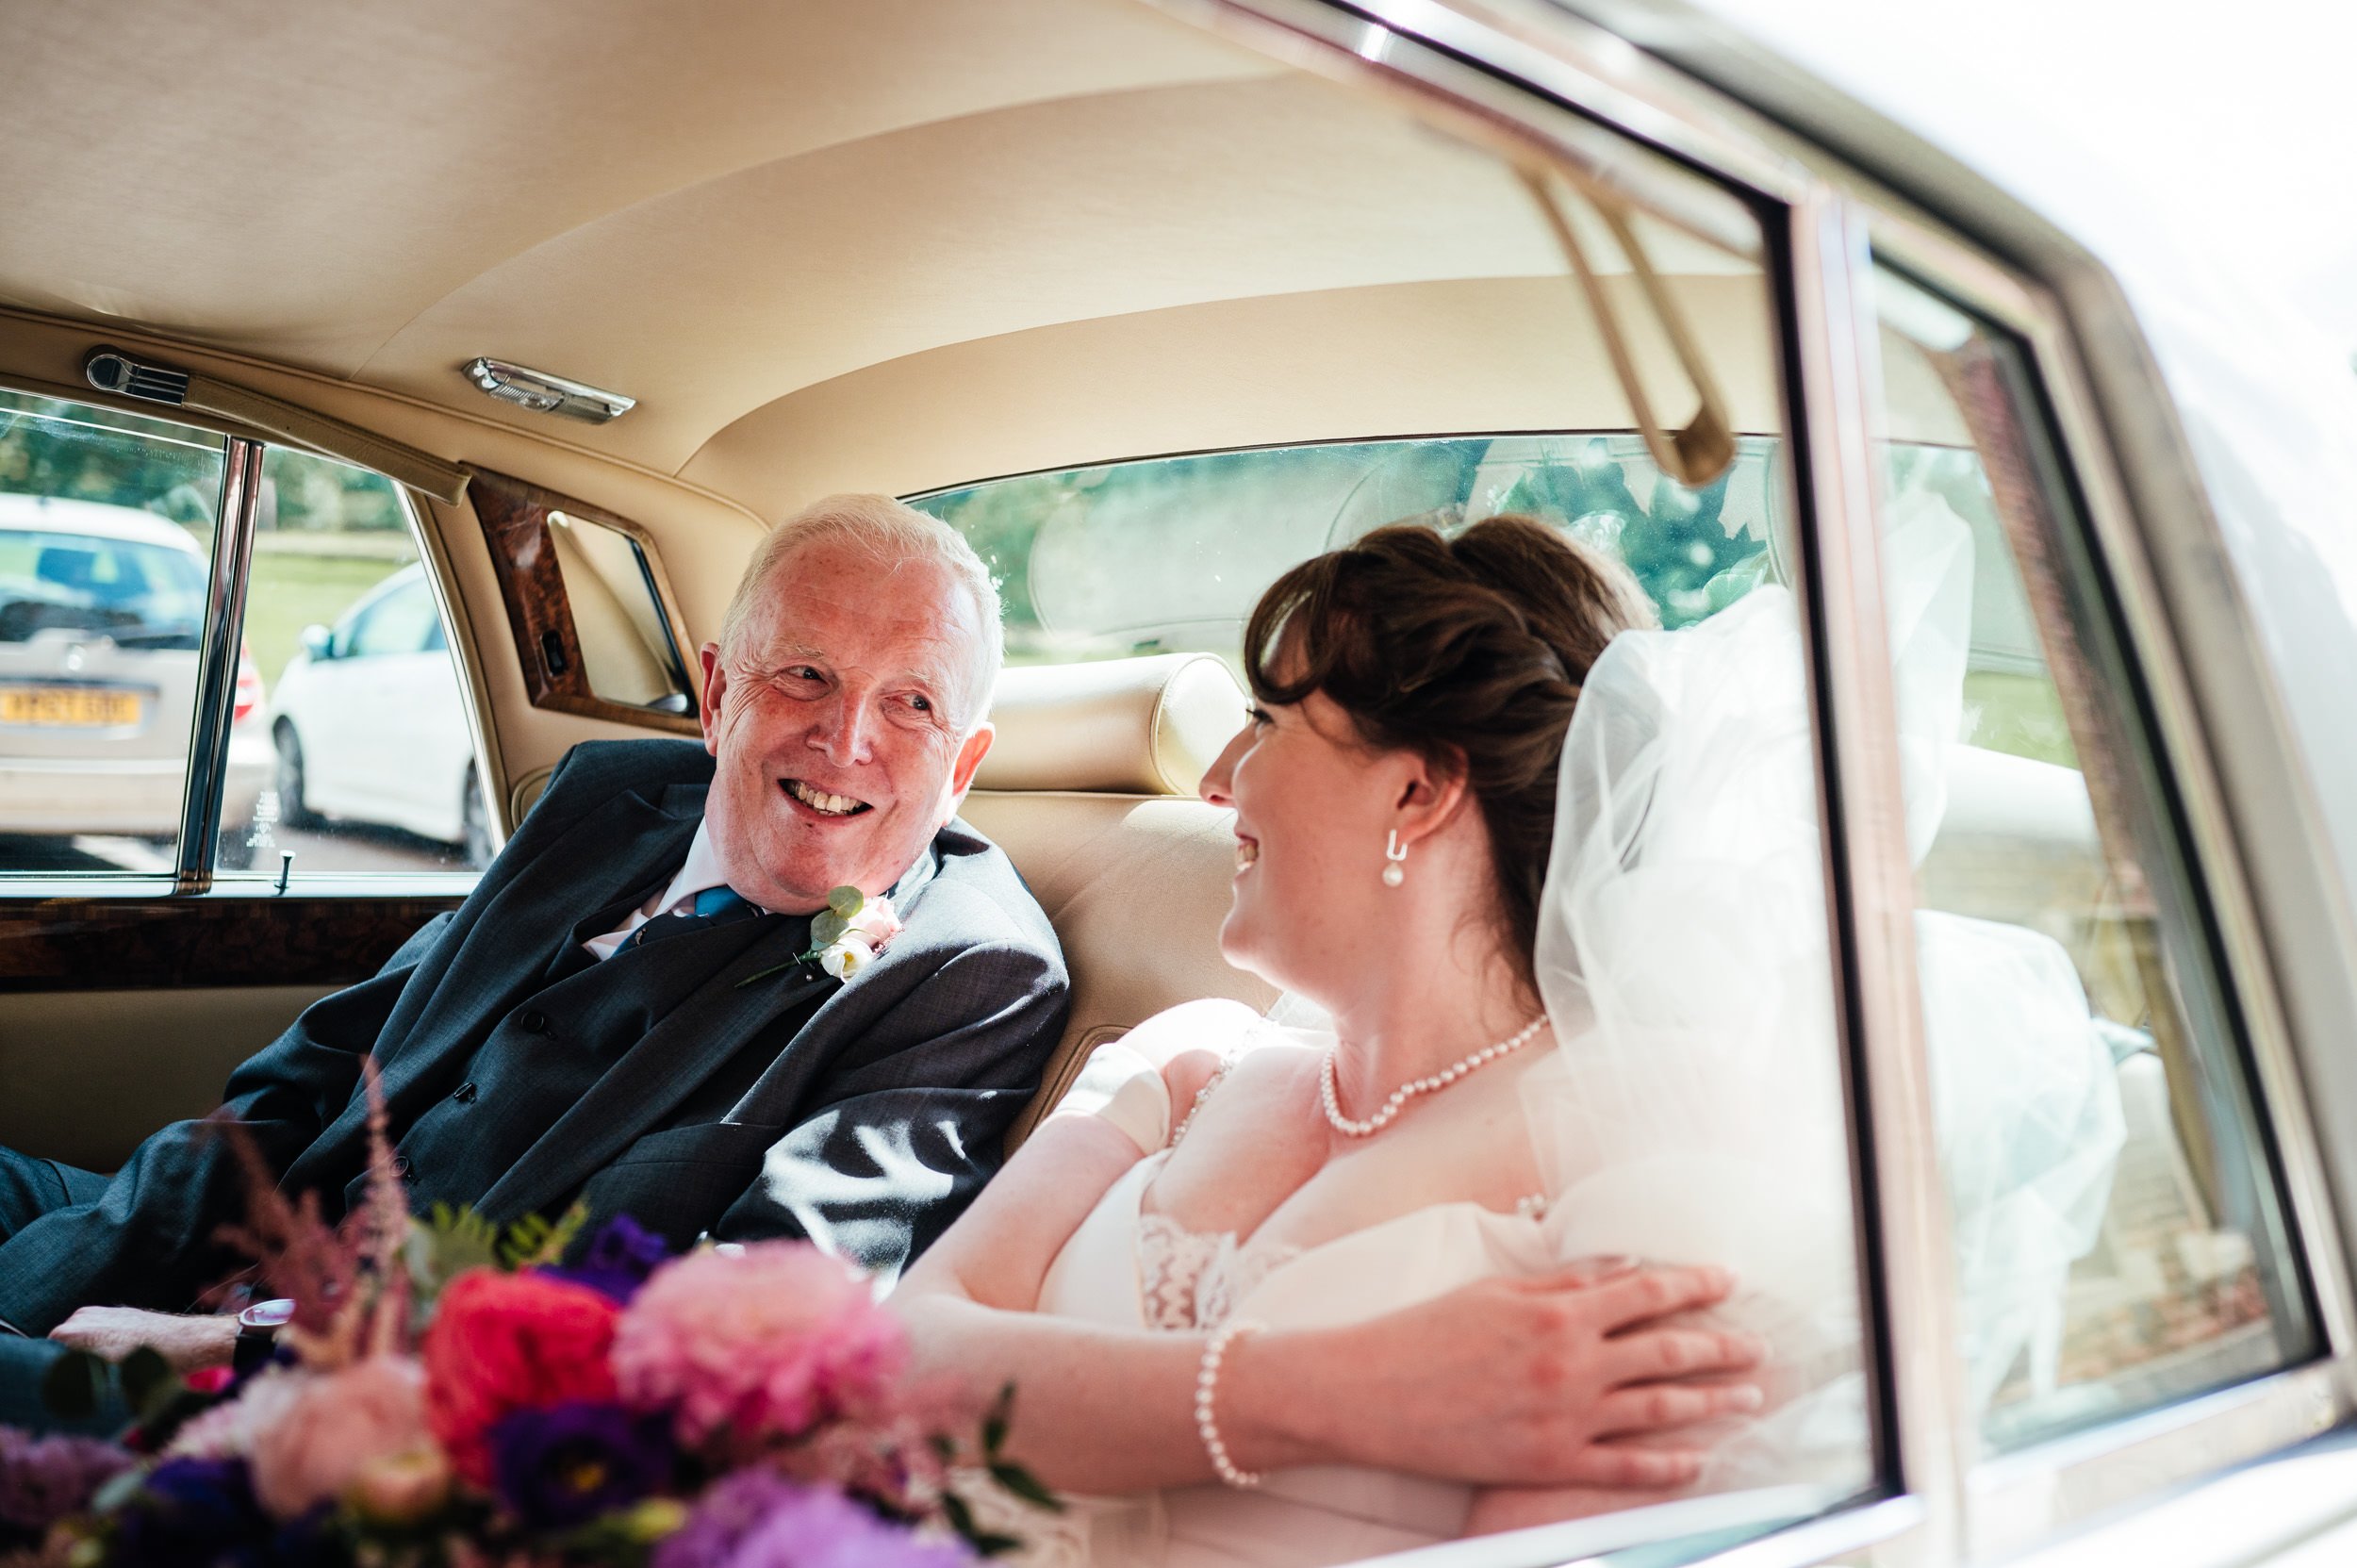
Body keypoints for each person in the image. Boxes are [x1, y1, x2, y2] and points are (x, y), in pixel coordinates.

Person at [0, 494, 1070, 1426]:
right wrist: (77, 1271)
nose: (845, 741)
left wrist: (231, 1354)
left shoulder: (969, 969)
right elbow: (323, 1067)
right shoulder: (607, 797)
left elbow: (740, 1322)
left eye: (912, 702)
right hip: (236, 1244)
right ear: (715, 695)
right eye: (805, 673)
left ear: (964, 764)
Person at [892, 517, 1803, 1566]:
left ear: (1416, 789)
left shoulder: (1648, 1136)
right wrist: (1328, 1394)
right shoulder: (1190, 1056)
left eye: (1266, 722)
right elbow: (912, 1353)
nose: (1217, 779)